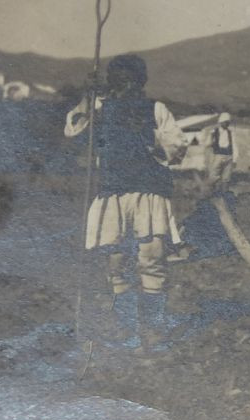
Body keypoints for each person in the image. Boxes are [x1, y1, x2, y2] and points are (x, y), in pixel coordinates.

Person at [63, 53, 188, 349]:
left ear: (139, 81)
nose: (124, 84)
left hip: (148, 194)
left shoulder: (155, 109)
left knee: (150, 261)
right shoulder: (98, 107)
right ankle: (129, 331)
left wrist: (150, 144)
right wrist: (87, 97)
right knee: (115, 262)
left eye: (129, 79)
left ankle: (153, 331)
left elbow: (177, 146)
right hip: (112, 193)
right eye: (117, 79)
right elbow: (72, 130)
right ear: (110, 81)